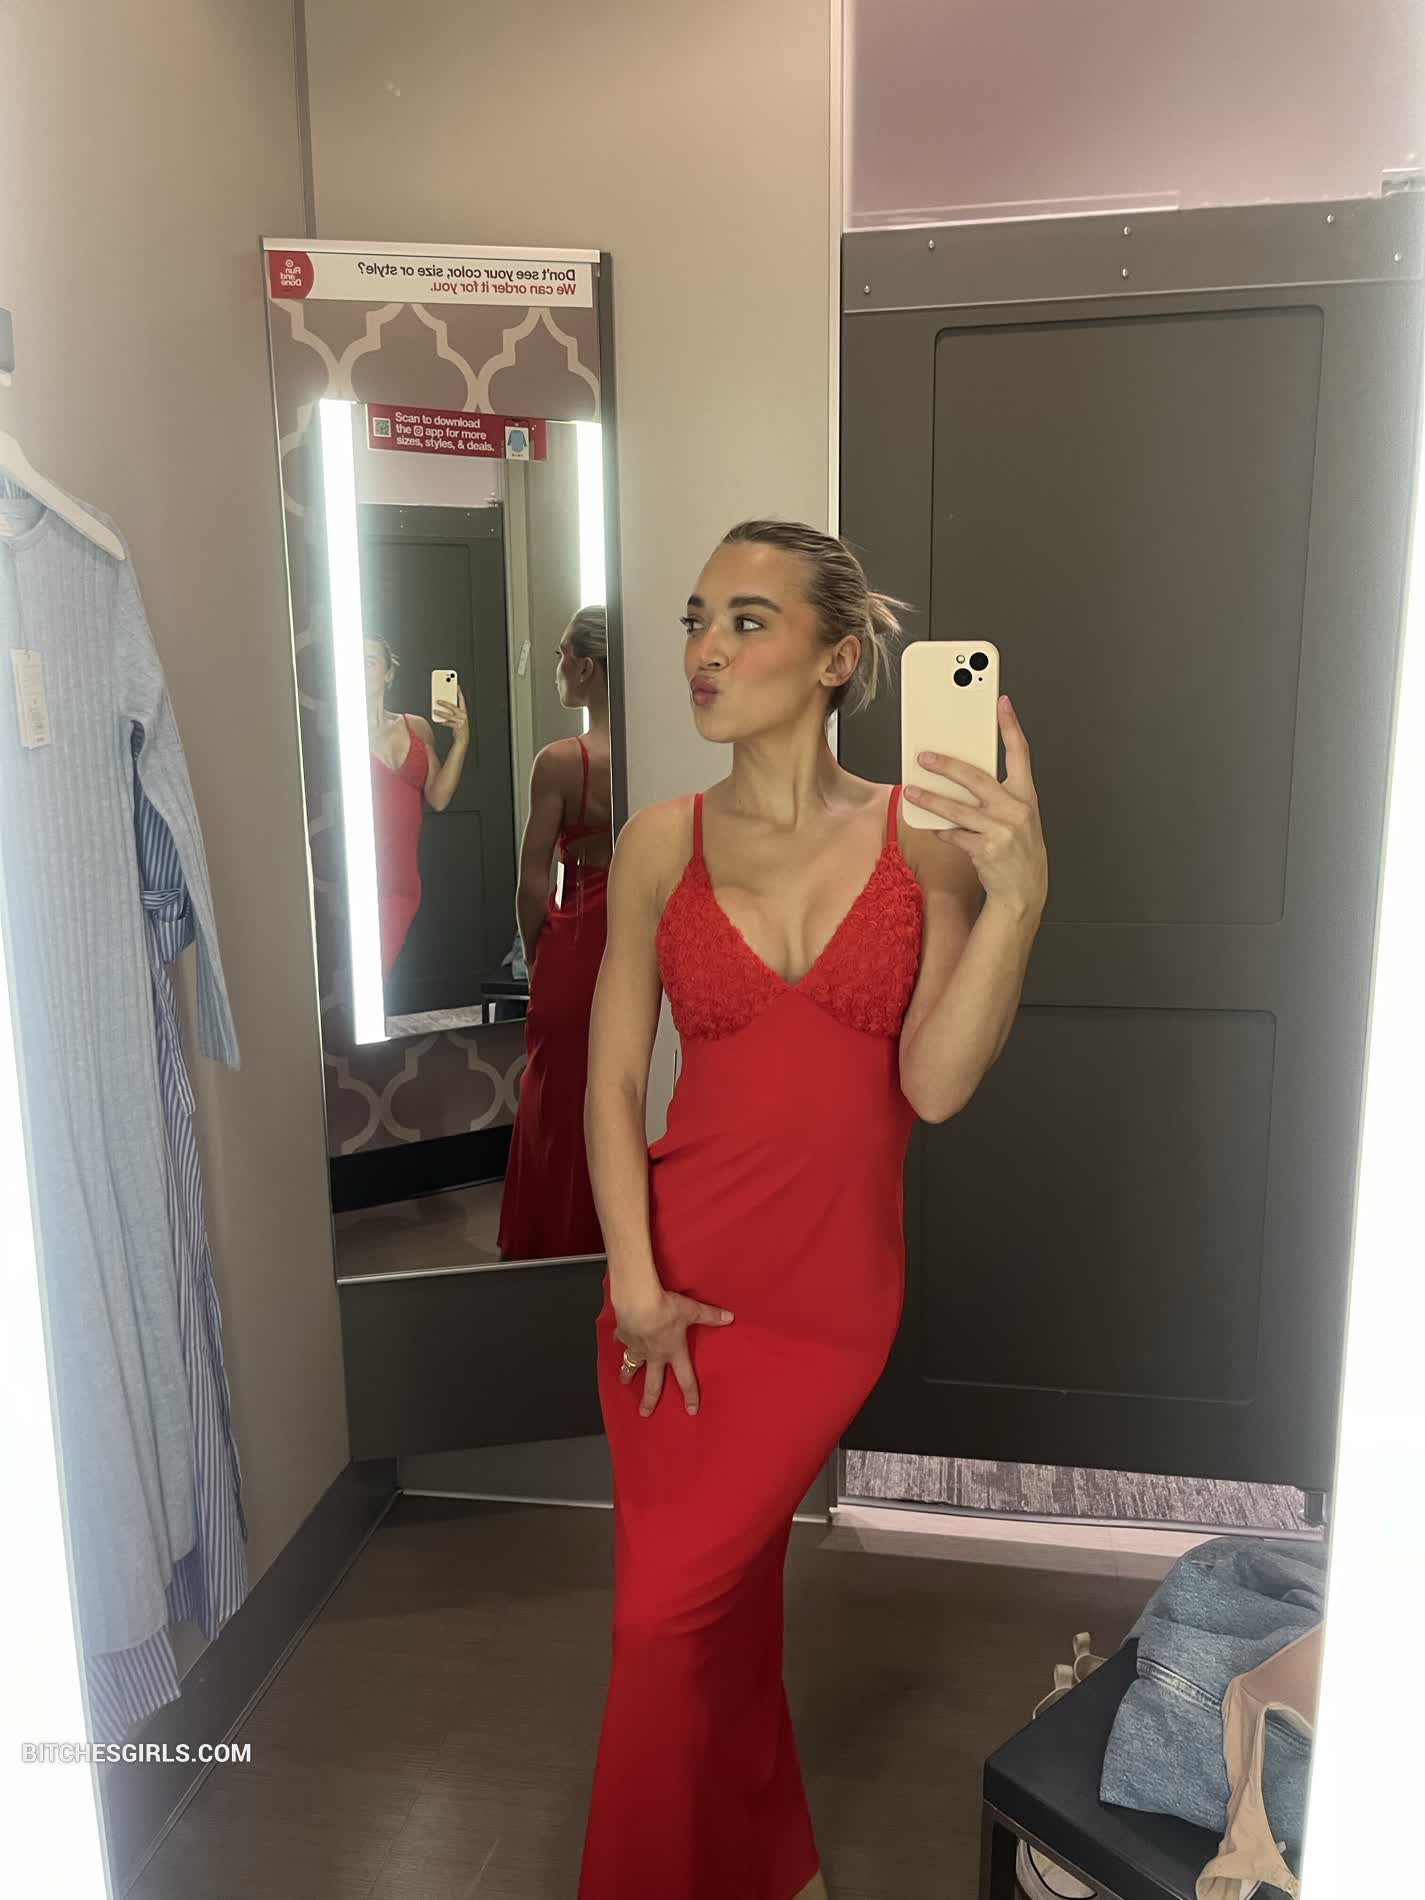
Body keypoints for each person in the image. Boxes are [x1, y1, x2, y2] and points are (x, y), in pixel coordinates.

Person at [577, 521, 1049, 1900]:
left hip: (826, 1300)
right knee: (686, 1619)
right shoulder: (658, 845)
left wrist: (1018, 900)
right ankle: (767, 1860)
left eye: (746, 621)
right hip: (671, 1283)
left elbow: (934, 1084)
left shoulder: (925, 840)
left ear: (839, 658)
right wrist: (633, 1285)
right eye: (695, 619)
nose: (703, 651)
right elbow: (613, 1085)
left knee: (684, 1615)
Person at [497, 607, 614, 1259]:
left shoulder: (562, 762)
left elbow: (532, 882)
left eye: (560, 652)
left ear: (586, 666)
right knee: (627, 1091)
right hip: (644, 937)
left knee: (560, 1092)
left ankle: (552, 1246)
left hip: (578, 944)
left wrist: (535, 952)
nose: (556, 665)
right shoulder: (654, 752)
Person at [365, 636, 469, 979]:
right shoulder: (336, 734)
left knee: (372, 975)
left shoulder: (416, 727)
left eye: (369, 662)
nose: (359, 670)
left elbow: (438, 798)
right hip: (358, 880)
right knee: (363, 979)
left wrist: (461, 740)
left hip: (402, 883)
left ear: (389, 673)